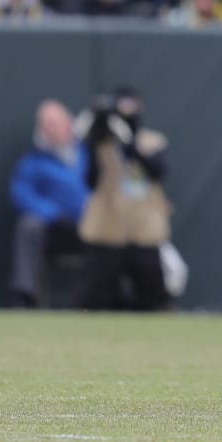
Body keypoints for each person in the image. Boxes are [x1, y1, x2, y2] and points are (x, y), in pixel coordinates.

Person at [77, 87, 173, 312]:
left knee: (153, 300)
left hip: (144, 231)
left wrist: (131, 147)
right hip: (107, 231)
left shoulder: (153, 141)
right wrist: (94, 142)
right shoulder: (102, 146)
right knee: (96, 301)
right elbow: (89, 181)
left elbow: (159, 171)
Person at [8, 99, 89, 308]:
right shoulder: (32, 162)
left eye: (55, 122)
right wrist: (53, 214)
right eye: (45, 124)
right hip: (55, 230)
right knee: (29, 226)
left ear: (69, 123)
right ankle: (26, 297)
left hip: (92, 228)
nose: (51, 129)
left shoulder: (91, 154)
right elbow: (21, 194)